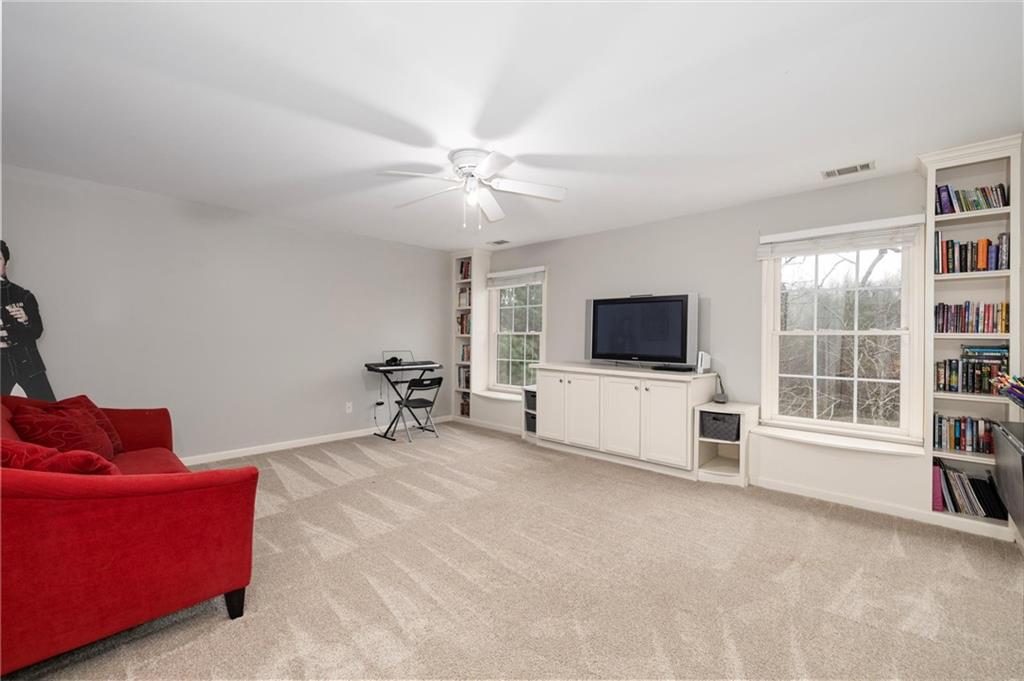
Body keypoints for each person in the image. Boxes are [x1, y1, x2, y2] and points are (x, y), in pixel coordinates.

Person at [1, 240, 55, 401]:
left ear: (6, 263)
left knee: (48, 412)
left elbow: (37, 331)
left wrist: (26, 320)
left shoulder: (23, 295)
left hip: (28, 363)